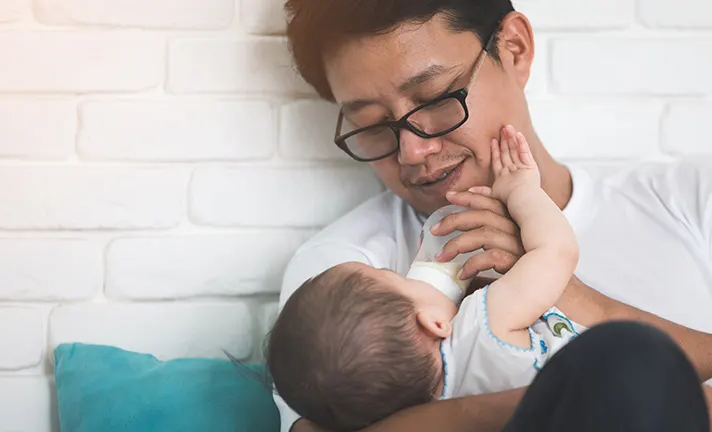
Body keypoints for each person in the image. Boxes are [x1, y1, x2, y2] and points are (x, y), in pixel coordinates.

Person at [275, 0, 712, 430]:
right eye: (372, 124)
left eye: (436, 98)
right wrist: (592, 393)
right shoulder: (342, 275)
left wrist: (576, 298)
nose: (413, 151)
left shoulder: (691, 200)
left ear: (514, 49)